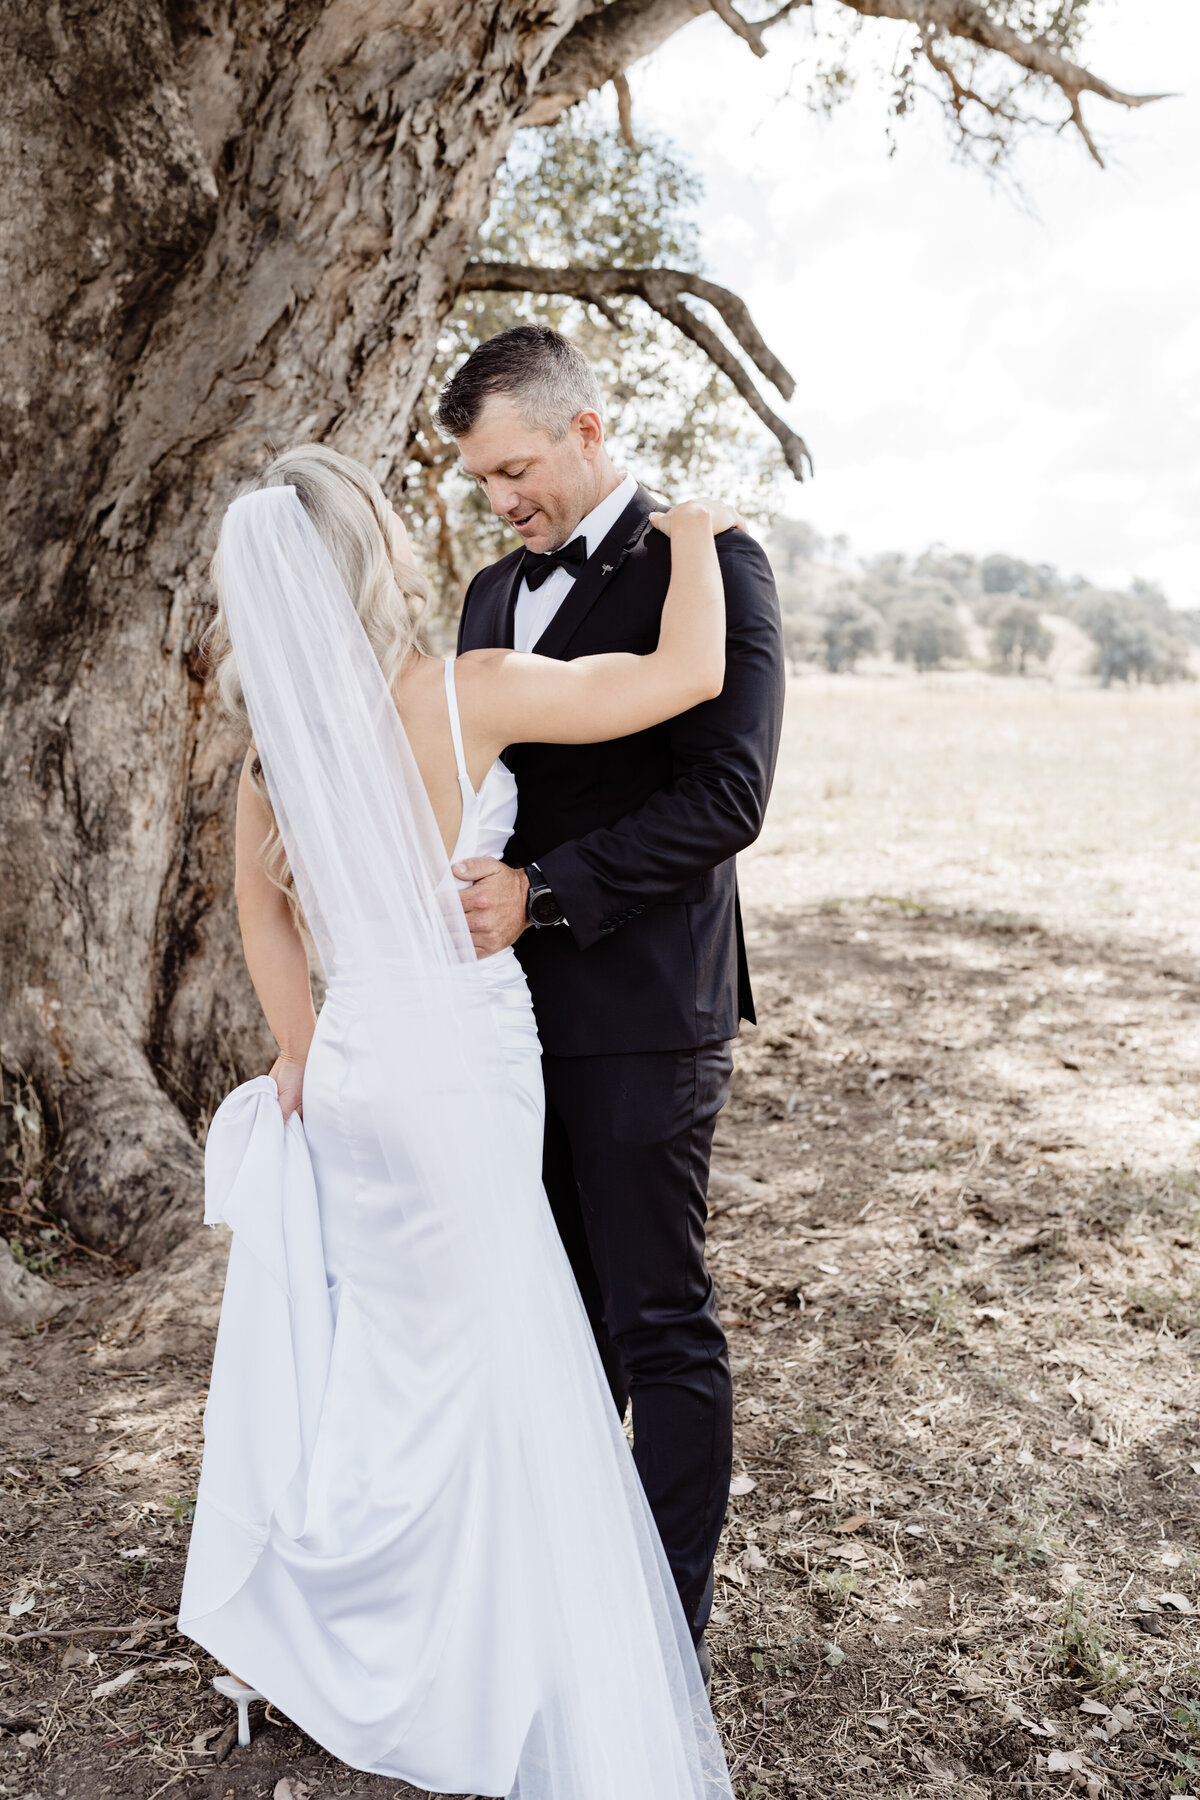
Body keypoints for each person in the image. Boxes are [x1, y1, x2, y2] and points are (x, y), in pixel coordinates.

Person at [178, 441, 744, 1799]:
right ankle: (476, 1657)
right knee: (496, 1355)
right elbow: (685, 680)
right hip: (464, 1063)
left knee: (391, 1348)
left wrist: (303, 1047)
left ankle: (357, 1617)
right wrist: (707, 537)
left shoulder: (280, 752)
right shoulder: (455, 696)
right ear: (370, 558)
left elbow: (259, 911)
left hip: (362, 1065)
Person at [441, 326, 785, 1676]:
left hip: (646, 1004)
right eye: (481, 482)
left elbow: (728, 793)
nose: (501, 500)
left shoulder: (711, 565)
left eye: (515, 467)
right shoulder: (482, 595)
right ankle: (562, 1593)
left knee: (658, 1317)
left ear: (587, 431)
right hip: (498, 1026)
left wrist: (549, 892)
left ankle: (660, 1640)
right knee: (551, 1310)